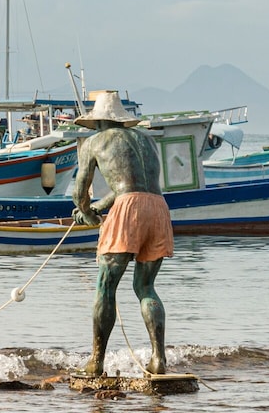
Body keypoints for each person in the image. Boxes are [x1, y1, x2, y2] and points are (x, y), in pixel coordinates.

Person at [70, 90, 174, 376]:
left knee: (106, 287)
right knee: (146, 288)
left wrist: (87, 214)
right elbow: (130, 188)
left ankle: (96, 362)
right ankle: (158, 358)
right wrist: (97, 209)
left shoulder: (93, 142)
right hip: (158, 208)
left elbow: (80, 192)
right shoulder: (148, 141)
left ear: (98, 122)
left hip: (129, 210)